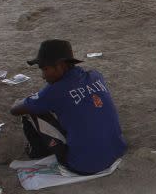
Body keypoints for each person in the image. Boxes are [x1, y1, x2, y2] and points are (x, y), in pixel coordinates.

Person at [9, 40, 127, 175]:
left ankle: (37, 152)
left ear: (60, 66)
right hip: (118, 151)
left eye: (45, 69)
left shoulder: (54, 91)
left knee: (31, 111)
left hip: (85, 165)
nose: (43, 76)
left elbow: (14, 110)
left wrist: (24, 101)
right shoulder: (95, 75)